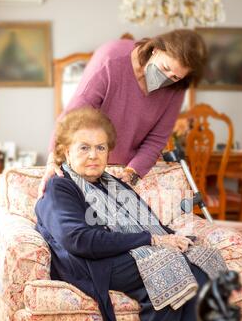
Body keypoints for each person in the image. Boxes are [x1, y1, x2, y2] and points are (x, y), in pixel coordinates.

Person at [35, 106, 227, 321]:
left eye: (100, 147)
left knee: (201, 264)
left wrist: (172, 238)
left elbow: (148, 221)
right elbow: (78, 240)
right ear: (64, 151)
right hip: (89, 263)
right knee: (168, 268)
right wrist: (154, 240)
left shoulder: (114, 184)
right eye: (83, 147)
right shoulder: (61, 188)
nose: (94, 155)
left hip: (123, 251)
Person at [38, 29, 207, 196]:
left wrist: (132, 173)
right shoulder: (111, 59)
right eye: (165, 67)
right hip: (86, 161)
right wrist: (54, 158)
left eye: (176, 77)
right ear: (155, 49)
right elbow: (73, 115)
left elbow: (156, 139)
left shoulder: (176, 88)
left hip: (125, 169)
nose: (168, 77)